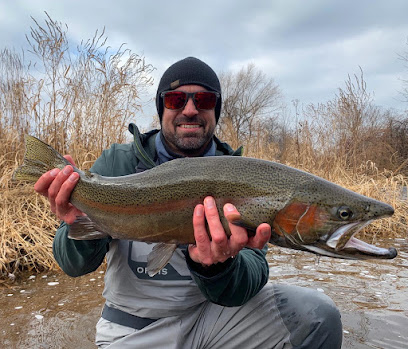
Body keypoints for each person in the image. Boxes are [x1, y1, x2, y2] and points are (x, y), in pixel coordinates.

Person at [34, 57, 342, 348]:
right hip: (133, 327)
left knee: (317, 316)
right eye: (176, 100)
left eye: (205, 100)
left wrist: (216, 269)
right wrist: (75, 218)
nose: (190, 110)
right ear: (162, 108)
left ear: (215, 110)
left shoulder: (240, 174)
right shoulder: (119, 163)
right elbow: (72, 265)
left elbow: (252, 278)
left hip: (214, 320)